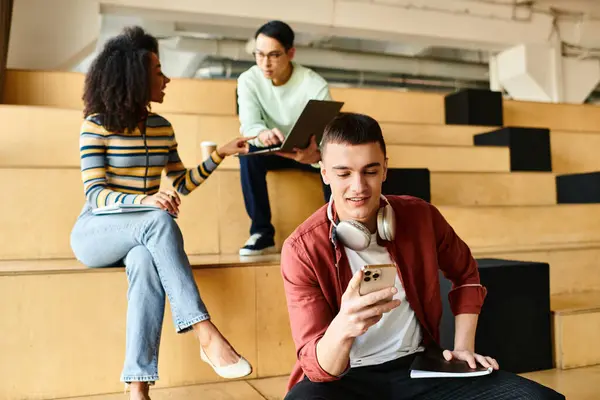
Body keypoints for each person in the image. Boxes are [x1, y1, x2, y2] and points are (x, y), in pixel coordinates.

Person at [280, 113, 565, 400]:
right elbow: (318, 368)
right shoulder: (301, 250)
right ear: (324, 173)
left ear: (385, 170)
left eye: (370, 171)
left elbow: (465, 273)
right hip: (345, 378)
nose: (358, 187)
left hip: (418, 369)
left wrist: (463, 348)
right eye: (343, 174)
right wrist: (343, 327)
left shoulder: (421, 217)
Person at [70, 26, 253, 400]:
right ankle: (205, 332)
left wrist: (220, 153)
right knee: (158, 219)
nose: (166, 79)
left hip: (141, 237)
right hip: (96, 233)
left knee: (144, 262)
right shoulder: (96, 126)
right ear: (135, 77)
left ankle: (138, 388)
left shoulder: (161, 128)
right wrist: (146, 202)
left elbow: (181, 183)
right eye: (157, 72)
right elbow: (96, 195)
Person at [237, 20, 333, 256]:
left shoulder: (314, 84)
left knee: (337, 161)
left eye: (273, 55)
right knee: (247, 154)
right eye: (259, 55)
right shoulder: (248, 80)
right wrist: (262, 134)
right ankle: (261, 232)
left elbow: (329, 134)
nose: (265, 63)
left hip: (310, 151)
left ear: (291, 53)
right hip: (272, 148)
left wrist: (317, 154)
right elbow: (249, 125)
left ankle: (338, 229)